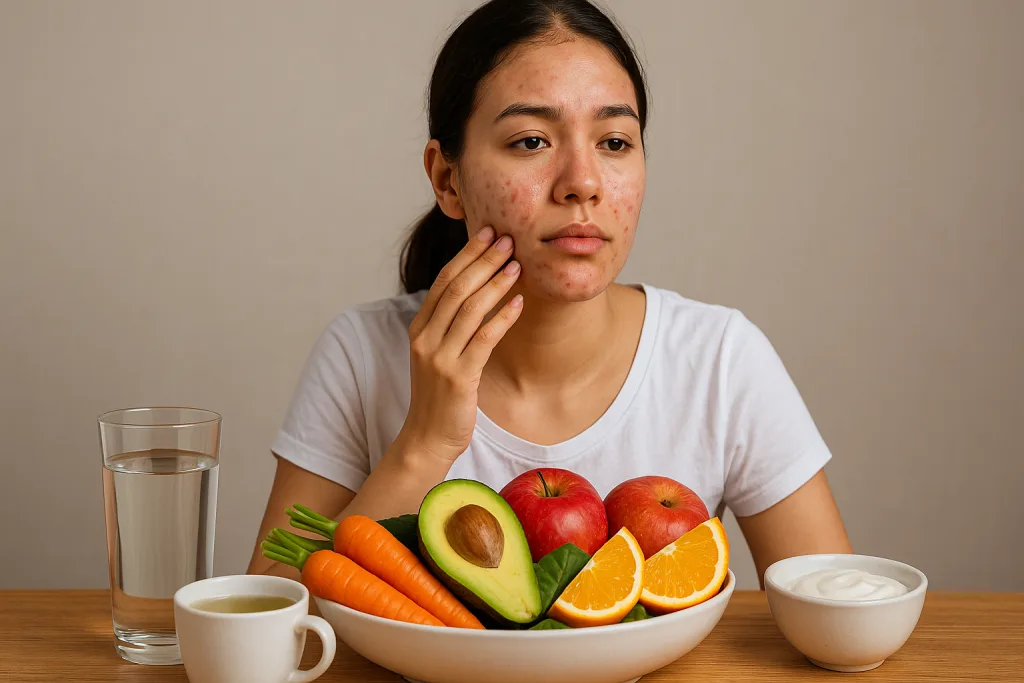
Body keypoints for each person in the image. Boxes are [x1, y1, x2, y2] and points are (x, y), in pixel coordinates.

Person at [246, 0, 852, 587]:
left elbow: (836, 612)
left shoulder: (720, 359)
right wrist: (425, 445)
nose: (582, 183)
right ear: (446, 179)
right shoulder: (361, 354)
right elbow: (265, 629)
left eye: (614, 142)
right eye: (532, 141)